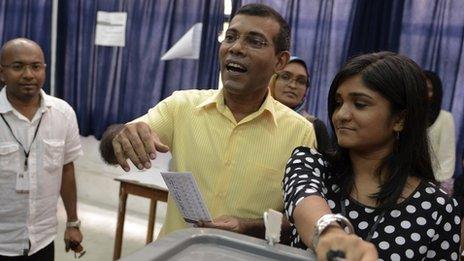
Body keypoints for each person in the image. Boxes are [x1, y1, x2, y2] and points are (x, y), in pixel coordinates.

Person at [99, 4, 316, 239]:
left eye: (255, 41)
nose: (236, 48)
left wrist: (249, 226)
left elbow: (300, 221)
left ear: (280, 61)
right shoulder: (182, 106)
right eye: (230, 37)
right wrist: (121, 136)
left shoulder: (301, 133)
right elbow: (111, 148)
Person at [282, 52, 461, 260]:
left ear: (400, 119)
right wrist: (330, 235)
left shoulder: (437, 207)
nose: (341, 115)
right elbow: (304, 199)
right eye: (338, 103)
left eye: (360, 104)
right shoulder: (311, 164)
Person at [0, 38, 84, 260]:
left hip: (42, 239)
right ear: (2, 73)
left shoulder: (63, 114)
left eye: (36, 66)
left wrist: (73, 222)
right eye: (18, 66)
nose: (29, 74)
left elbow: (66, 171)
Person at [269, 56, 331, 153]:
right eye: (285, 77)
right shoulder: (257, 116)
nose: (293, 85)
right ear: (273, 80)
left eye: (301, 81)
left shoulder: (314, 126)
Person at [423, 70, 456, 193]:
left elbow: (447, 156)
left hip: (432, 184)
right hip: (402, 178)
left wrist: (437, 188)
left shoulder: (445, 118)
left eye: (429, 89)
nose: (424, 93)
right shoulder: (406, 116)